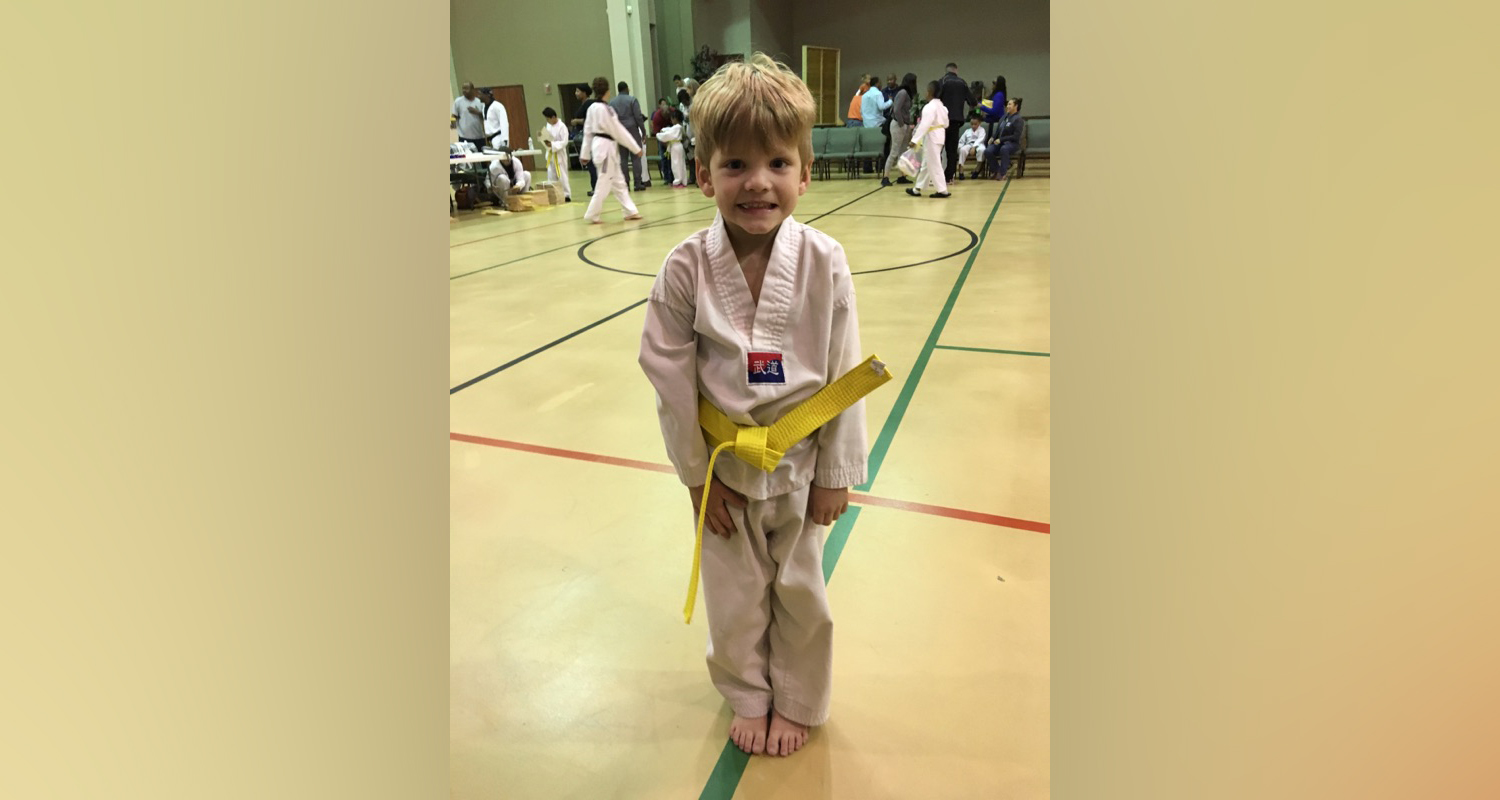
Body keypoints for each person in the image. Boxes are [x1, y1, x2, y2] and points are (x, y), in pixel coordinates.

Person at [639, 51, 870, 760]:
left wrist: (838, 469)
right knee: (735, 596)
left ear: (805, 169)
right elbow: (668, 375)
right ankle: (747, 693)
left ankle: (798, 698)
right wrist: (691, 475)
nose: (758, 183)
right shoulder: (684, 269)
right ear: (704, 173)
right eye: (735, 164)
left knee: (800, 591)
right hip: (725, 472)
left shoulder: (825, 260)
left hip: (801, 467)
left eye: (777, 162)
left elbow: (845, 369)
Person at [580, 76, 644, 224]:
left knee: (619, 183)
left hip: (602, 147)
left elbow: (587, 132)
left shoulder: (591, 109)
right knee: (603, 183)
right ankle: (592, 214)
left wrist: (585, 153)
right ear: (607, 91)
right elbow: (618, 131)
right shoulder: (606, 109)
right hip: (605, 149)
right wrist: (635, 148)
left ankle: (630, 211)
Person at [907, 80, 950, 198]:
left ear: (930, 92)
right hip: (940, 135)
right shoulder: (942, 107)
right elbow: (946, 124)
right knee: (927, 163)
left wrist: (914, 140)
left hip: (932, 136)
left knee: (935, 163)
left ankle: (942, 190)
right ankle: (917, 188)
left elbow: (924, 125)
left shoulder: (929, 107)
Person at [936, 63, 975, 184]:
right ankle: (950, 176)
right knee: (952, 150)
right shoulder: (962, 83)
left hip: (941, 121)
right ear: (956, 70)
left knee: (937, 149)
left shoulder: (942, 81)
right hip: (956, 121)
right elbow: (972, 101)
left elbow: (935, 99)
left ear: (946, 70)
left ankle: (937, 176)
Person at [609, 81, 651, 191]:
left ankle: (625, 184)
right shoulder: (632, 100)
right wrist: (643, 131)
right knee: (636, 157)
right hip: (632, 130)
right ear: (627, 89)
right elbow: (638, 117)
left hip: (620, 131)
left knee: (623, 158)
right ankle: (638, 183)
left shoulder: (612, 102)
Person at [881, 73, 919, 187]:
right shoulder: (902, 92)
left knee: (902, 152)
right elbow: (896, 109)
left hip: (904, 125)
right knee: (894, 151)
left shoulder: (906, 93)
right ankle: (885, 177)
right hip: (898, 124)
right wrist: (902, 124)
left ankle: (902, 175)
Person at [984, 97, 1025, 180]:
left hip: (1013, 144)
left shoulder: (1018, 119)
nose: (1007, 106)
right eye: (1007, 104)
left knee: (1004, 149)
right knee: (988, 150)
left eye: (1010, 104)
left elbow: (1016, 136)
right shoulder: (1004, 117)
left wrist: (1001, 139)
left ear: (1015, 106)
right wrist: (993, 137)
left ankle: (1002, 173)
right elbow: (998, 130)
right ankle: (996, 170)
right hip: (1000, 142)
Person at [571, 84, 600, 196]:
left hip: (590, 137)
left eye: (578, 91)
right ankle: (595, 186)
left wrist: (577, 121)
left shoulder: (589, 104)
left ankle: (596, 187)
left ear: (584, 92)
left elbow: (590, 120)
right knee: (590, 163)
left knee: (592, 163)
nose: (576, 93)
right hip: (586, 136)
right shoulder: (583, 105)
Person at [540, 107, 572, 202]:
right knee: (551, 175)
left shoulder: (562, 127)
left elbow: (564, 142)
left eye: (548, 119)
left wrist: (553, 144)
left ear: (553, 117)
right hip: (550, 153)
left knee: (562, 175)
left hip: (559, 154)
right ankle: (553, 194)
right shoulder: (549, 125)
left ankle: (566, 194)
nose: (547, 121)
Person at [655, 109, 688, 188]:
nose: (671, 120)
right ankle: (682, 181)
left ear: (675, 118)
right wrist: (663, 130)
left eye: (672, 118)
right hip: (677, 146)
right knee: (680, 164)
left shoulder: (677, 127)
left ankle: (678, 181)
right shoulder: (679, 127)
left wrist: (658, 134)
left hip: (676, 147)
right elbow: (669, 130)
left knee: (676, 164)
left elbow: (668, 134)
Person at [451, 82, 487, 151]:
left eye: (466, 88)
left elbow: (486, 117)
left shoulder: (480, 102)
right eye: (463, 88)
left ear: (473, 89)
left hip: (479, 137)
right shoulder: (458, 101)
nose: (464, 90)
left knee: (482, 159)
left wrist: (477, 112)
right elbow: (454, 115)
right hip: (464, 137)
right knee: (467, 159)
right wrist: (452, 122)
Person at [955, 115, 987, 179]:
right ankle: (961, 171)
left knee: (982, 150)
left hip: (979, 145)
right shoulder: (967, 131)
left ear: (979, 123)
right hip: (968, 144)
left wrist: (974, 147)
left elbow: (980, 139)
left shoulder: (982, 130)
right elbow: (961, 140)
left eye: (975, 124)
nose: (973, 126)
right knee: (962, 150)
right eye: (972, 124)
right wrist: (960, 147)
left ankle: (977, 170)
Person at [677, 88, 697, 185]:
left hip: (695, 134)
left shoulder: (694, 105)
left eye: (684, 101)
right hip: (687, 135)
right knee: (690, 158)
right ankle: (692, 177)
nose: (684, 103)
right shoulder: (683, 108)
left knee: (697, 158)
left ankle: (698, 178)